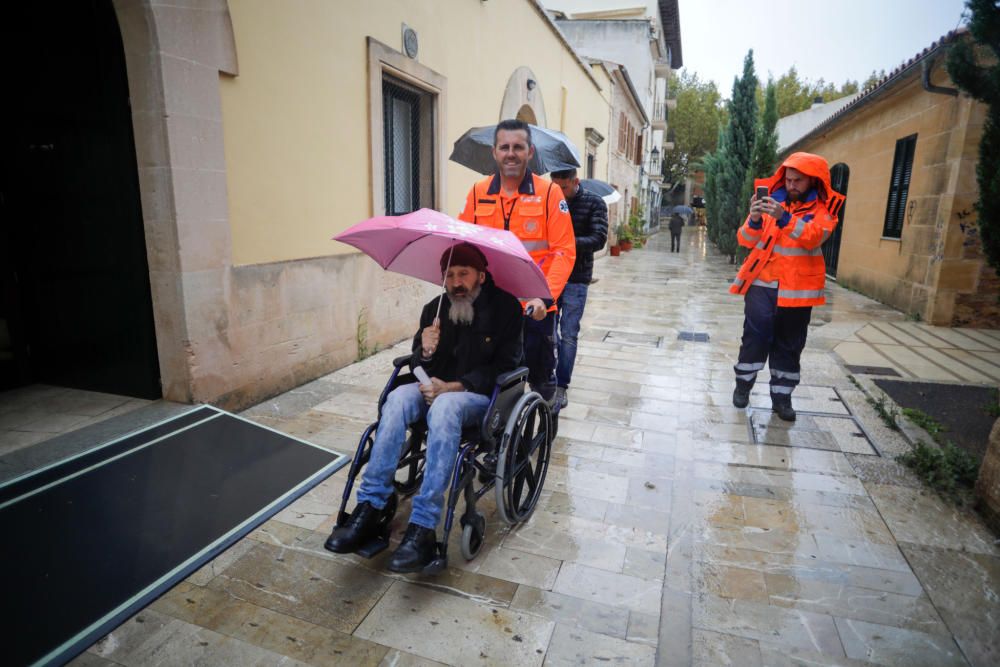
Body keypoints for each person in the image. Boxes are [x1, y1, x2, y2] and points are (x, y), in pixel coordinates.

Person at [325, 243, 523, 572]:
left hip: (477, 397)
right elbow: (417, 361)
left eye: (464, 274)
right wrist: (426, 351)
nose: (457, 282)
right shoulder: (436, 308)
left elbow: (506, 366)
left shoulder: (507, 310)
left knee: (445, 407)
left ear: (481, 276)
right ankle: (371, 506)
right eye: (450, 275)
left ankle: (424, 526)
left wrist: (454, 387)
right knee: (398, 398)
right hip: (433, 389)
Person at [458, 119, 576, 405]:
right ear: (494, 152)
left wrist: (544, 297)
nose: (511, 153)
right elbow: (464, 243)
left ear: (530, 152)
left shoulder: (550, 193)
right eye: (505, 147)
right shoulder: (478, 192)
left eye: (518, 147)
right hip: (491, 308)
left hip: (534, 309)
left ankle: (545, 426)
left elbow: (564, 252)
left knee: (540, 379)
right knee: (496, 376)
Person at [729, 152, 845, 421]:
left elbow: (814, 237)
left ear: (812, 181)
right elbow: (745, 239)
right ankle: (742, 387)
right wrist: (754, 218)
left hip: (797, 293)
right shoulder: (771, 203)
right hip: (762, 286)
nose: (791, 185)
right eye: (789, 179)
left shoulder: (825, 211)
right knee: (754, 339)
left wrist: (785, 218)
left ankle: (782, 399)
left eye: (798, 181)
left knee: (789, 346)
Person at [549, 168, 607, 408]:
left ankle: (562, 386)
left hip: (576, 277)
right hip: (551, 275)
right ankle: (547, 376)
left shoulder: (594, 203)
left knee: (569, 333)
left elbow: (599, 238)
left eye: (563, 187)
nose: (559, 192)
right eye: (555, 187)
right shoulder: (550, 200)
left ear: (575, 182)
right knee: (548, 331)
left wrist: (567, 243)